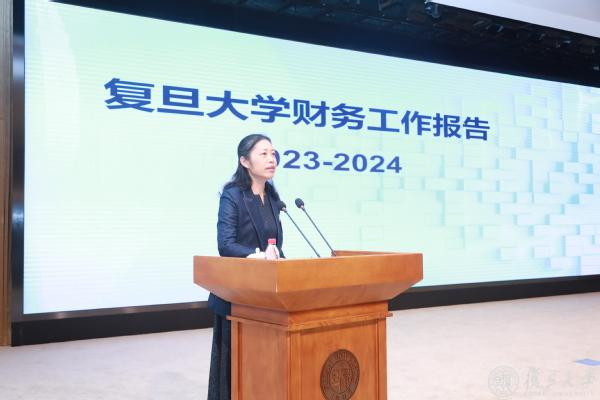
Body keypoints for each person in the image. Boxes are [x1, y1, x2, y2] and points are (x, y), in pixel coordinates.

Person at [207, 133, 284, 400]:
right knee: (236, 367)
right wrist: (257, 256)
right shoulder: (232, 196)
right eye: (263, 154)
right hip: (238, 295)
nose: (271, 159)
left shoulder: (272, 197)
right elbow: (226, 244)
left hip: (268, 296)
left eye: (273, 153)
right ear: (245, 161)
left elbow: (273, 244)